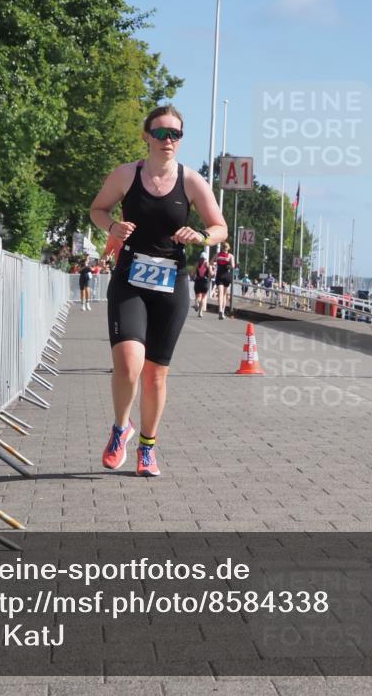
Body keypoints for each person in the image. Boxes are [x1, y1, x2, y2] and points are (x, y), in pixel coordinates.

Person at [90, 105, 226, 477]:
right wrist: (112, 227)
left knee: (154, 374)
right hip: (130, 277)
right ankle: (121, 429)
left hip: (171, 283)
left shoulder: (192, 181)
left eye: (175, 134)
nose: (168, 140)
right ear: (146, 136)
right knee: (128, 363)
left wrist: (200, 236)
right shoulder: (126, 175)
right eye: (161, 133)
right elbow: (97, 210)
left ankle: (147, 447)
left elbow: (219, 228)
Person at [214, 242, 235, 319]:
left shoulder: (217, 255)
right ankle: (222, 311)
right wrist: (228, 265)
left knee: (220, 294)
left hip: (219, 275)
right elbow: (233, 266)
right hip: (226, 275)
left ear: (222, 247)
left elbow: (211, 262)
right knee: (224, 294)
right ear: (228, 248)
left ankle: (220, 310)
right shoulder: (230, 256)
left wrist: (216, 262)